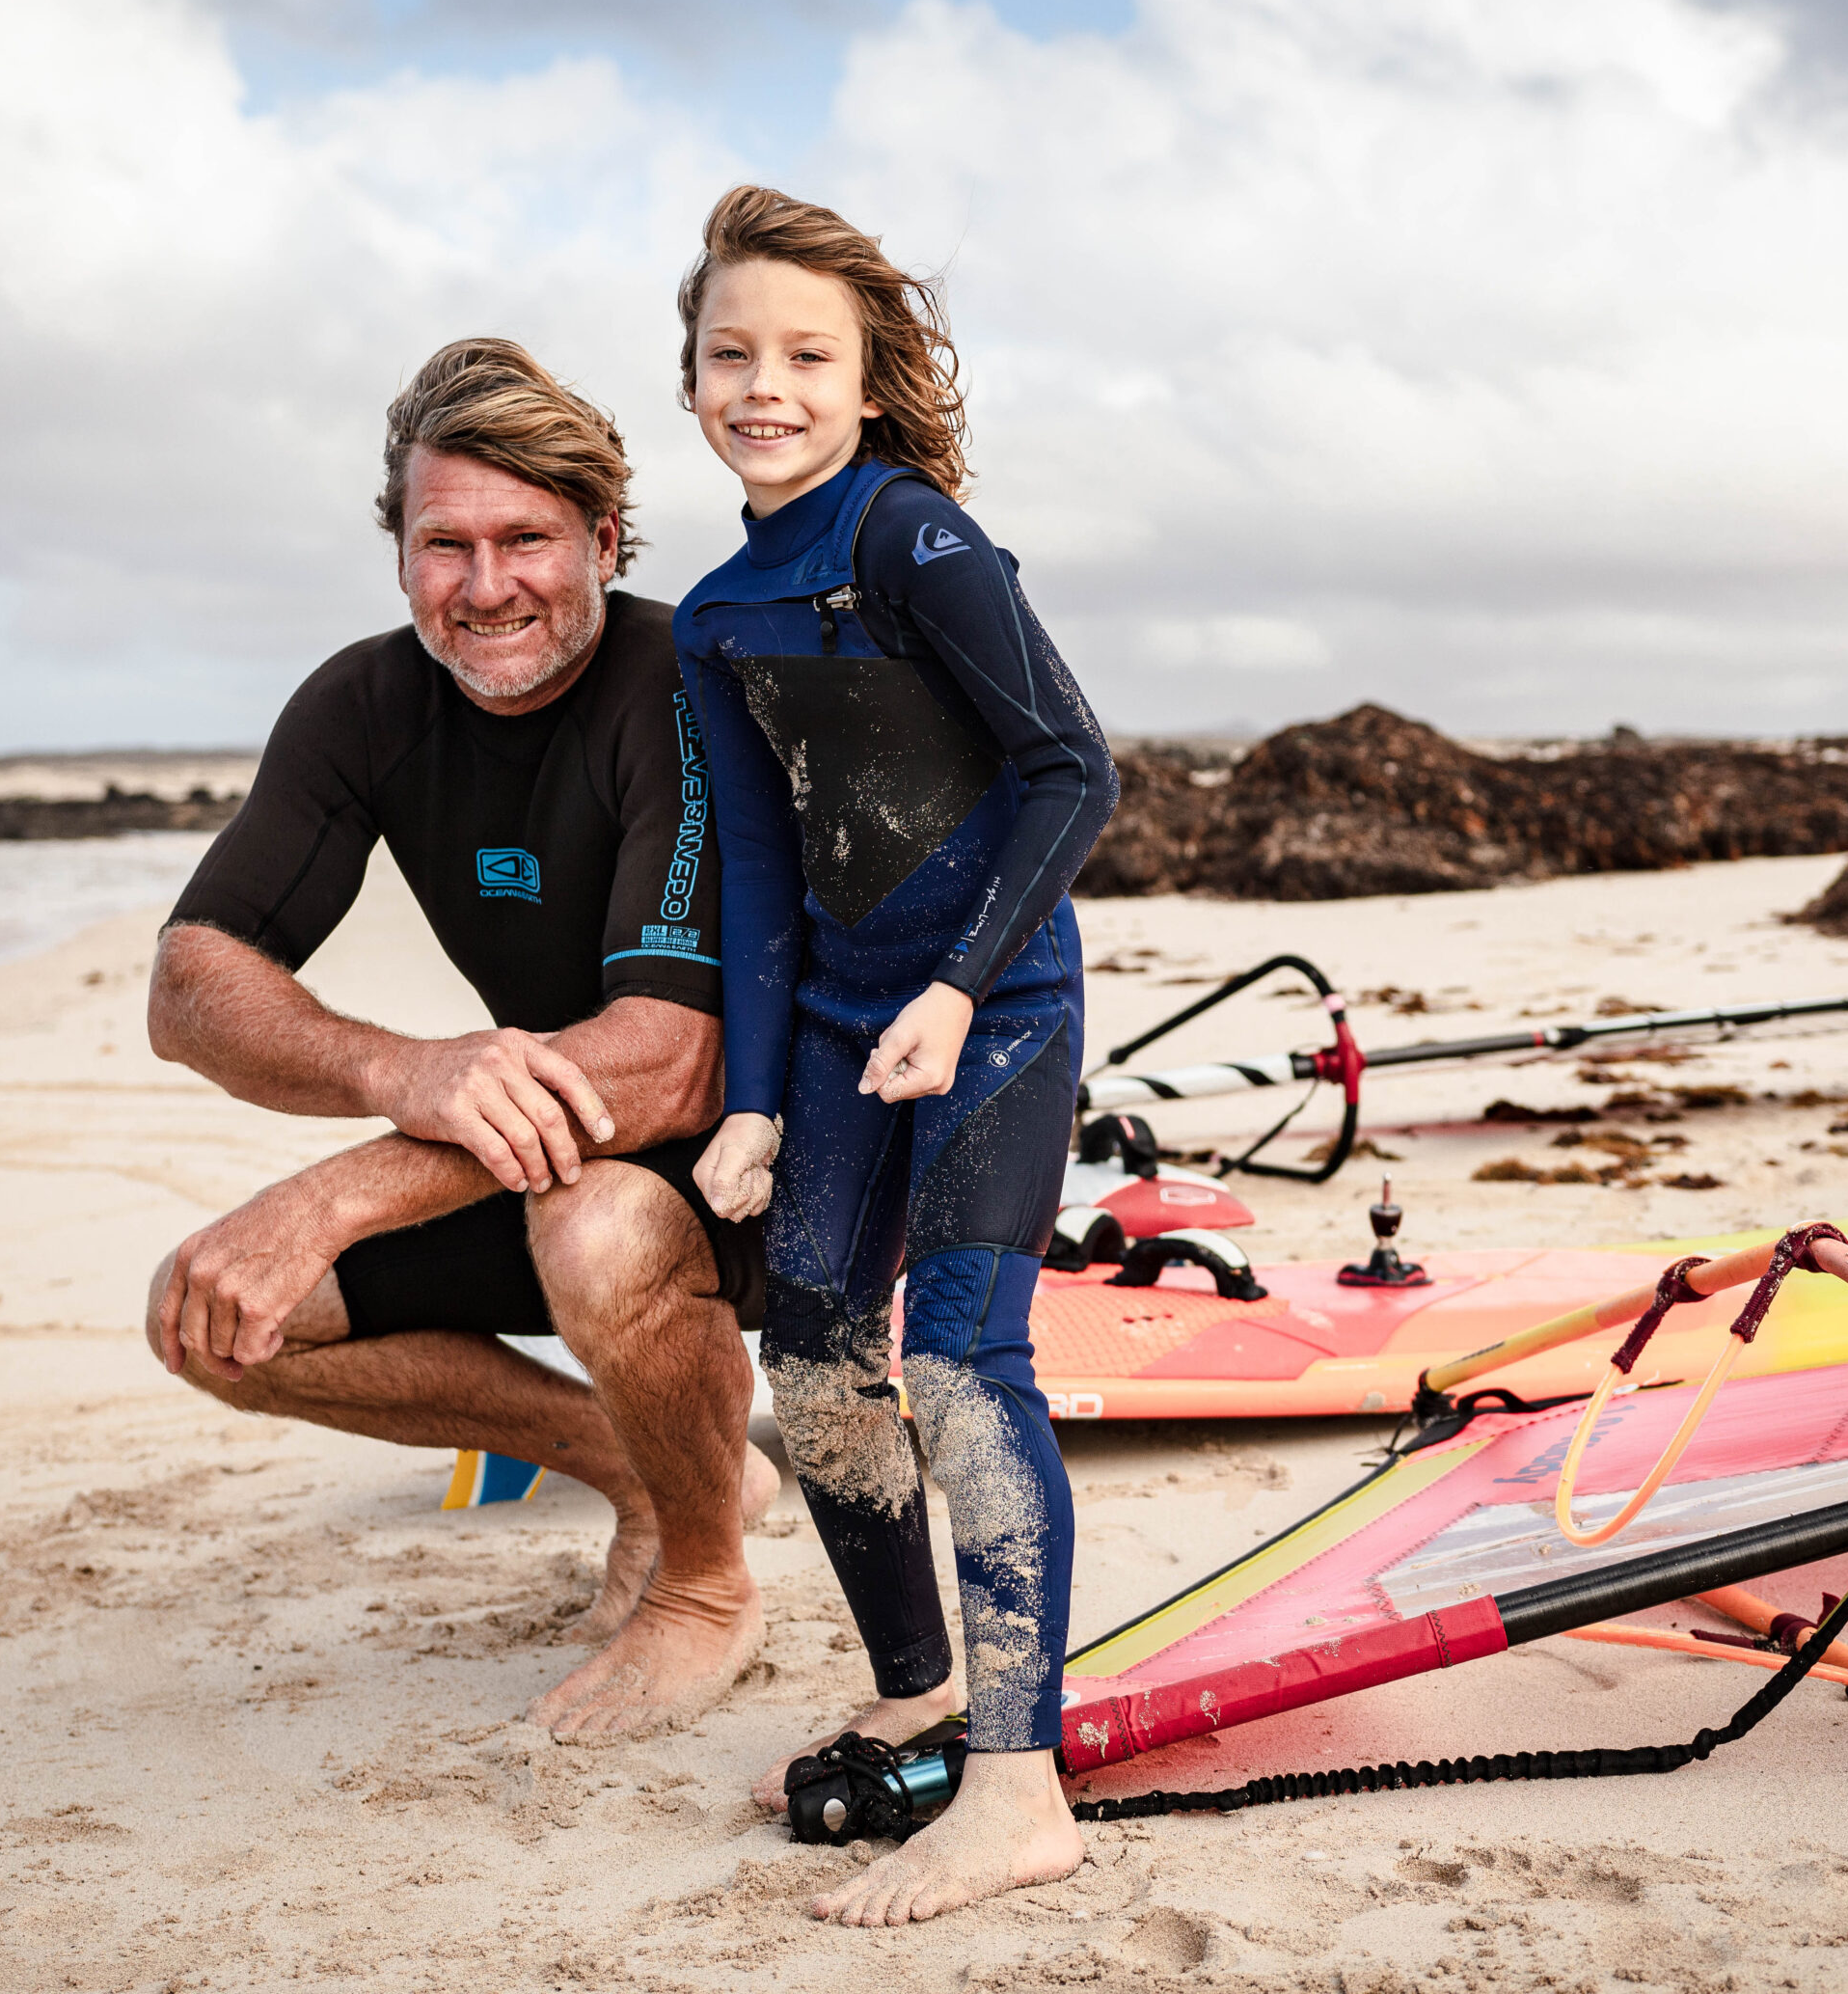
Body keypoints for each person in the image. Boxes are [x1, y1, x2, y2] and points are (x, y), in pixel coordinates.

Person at [144, 338, 773, 1743]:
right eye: (445, 545)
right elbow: (189, 984)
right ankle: (646, 1464)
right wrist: (402, 1069)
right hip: (551, 1154)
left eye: (526, 539)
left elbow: (672, 1058)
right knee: (216, 1317)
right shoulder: (367, 705)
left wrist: (330, 1196)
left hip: (774, 1164)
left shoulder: (686, 685)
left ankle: (708, 1585)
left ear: (603, 539)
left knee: (595, 1229)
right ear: (401, 555)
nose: (485, 588)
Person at [670, 186, 1118, 1926]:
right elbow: (760, 866)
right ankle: (921, 1689)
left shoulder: (916, 541)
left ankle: (1017, 1786)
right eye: (732, 355)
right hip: (838, 1025)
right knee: (809, 1345)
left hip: (993, 1010)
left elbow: (1072, 766)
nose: (765, 388)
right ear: (691, 379)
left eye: (807, 357)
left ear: (868, 384)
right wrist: (753, 1102)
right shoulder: (717, 611)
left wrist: (955, 986)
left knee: (962, 1362)